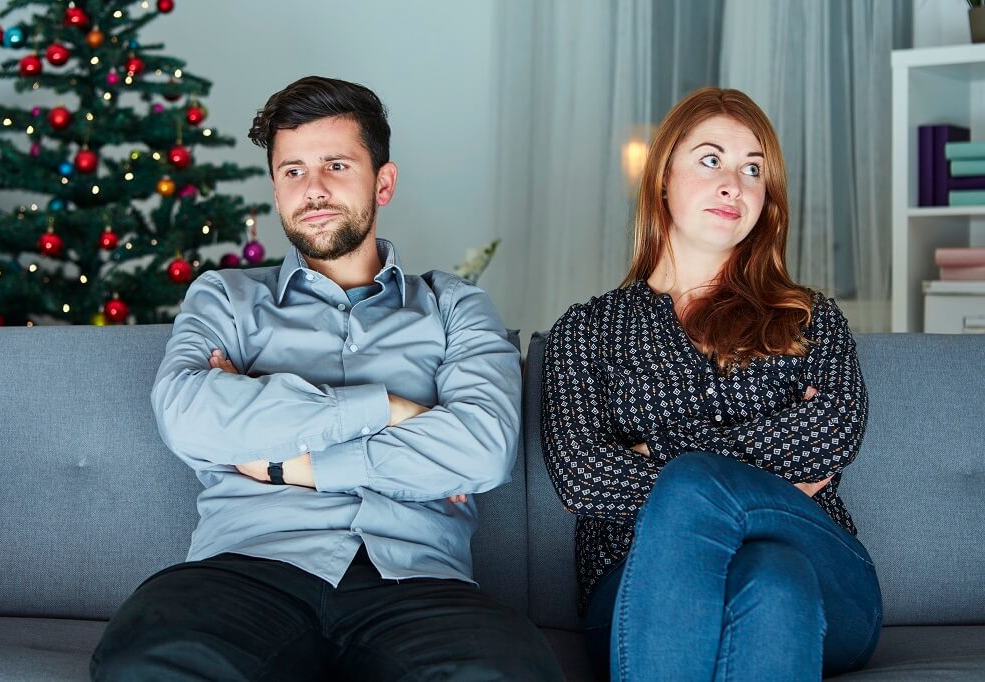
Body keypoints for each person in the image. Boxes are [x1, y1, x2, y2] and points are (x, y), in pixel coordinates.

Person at [92, 75, 561, 681]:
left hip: (417, 582)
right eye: (292, 171)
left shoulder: (455, 307)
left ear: (382, 182)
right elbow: (188, 416)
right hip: (245, 569)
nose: (312, 189)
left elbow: (484, 448)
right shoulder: (226, 298)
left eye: (336, 165)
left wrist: (294, 466)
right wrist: (387, 407)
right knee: (150, 667)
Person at [542, 87, 881, 681]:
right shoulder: (587, 330)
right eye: (710, 160)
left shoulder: (808, 316)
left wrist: (664, 455)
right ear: (662, 178)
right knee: (773, 582)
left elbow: (833, 432)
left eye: (754, 169)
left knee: (698, 486)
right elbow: (582, 476)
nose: (735, 183)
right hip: (636, 587)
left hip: (829, 576)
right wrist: (769, 474)